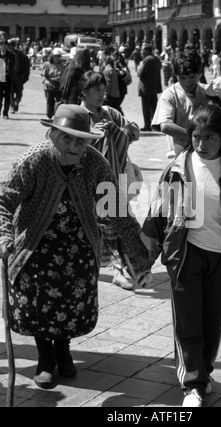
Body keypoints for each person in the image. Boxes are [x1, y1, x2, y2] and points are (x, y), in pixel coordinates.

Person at [0, 103, 152, 390]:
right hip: (36, 246)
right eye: (67, 137)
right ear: (53, 135)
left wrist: (139, 251)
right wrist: (4, 235)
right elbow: (4, 200)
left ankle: (63, 350)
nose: (74, 145)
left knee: (71, 302)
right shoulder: (33, 161)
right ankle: (45, 359)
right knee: (38, 303)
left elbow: (117, 208)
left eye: (80, 140)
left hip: (78, 245)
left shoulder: (94, 163)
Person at [141, 104, 221, 407]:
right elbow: (157, 215)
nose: (201, 144)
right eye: (196, 136)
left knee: (213, 323)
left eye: (209, 138)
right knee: (187, 322)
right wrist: (144, 258)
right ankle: (192, 386)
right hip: (185, 256)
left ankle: (204, 371)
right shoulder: (176, 169)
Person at [79, 70, 140, 290]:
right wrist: (90, 134)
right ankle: (91, 266)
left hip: (111, 177)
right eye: (96, 90)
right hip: (82, 180)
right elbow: (60, 141)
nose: (101, 94)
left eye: (103, 90)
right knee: (87, 224)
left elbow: (134, 132)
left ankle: (118, 269)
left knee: (112, 221)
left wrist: (116, 130)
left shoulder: (110, 113)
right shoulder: (77, 115)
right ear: (84, 92)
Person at [152, 51, 221, 160]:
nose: (187, 83)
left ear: (199, 73)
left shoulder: (208, 91)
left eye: (192, 77)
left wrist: (217, 101)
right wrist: (196, 137)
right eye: (182, 78)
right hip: (182, 153)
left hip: (210, 153)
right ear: (176, 76)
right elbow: (166, 126)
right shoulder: (170, 95)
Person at [137, 43, 162, 132]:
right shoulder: (156, 59)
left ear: (147, 51)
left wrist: (139, 69)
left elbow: (140, 73)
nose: (141, 52)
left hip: (146, 88)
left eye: (142, 50)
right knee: (154, 107)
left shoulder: (147, 60)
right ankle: (156, 125)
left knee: (146, 108)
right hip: (154, 87)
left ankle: (147, 125)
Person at [41, 48, 65, 119]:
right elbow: (43, 76)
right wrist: (47, 83)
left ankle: (56, 116)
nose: (57, 58)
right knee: (49, 103)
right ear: (52, 57)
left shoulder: (62, 65)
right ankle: (49, 115)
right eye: (56, 56)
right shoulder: (47, 65)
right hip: (49, 87)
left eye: (59, 56)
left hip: (59, 87)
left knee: (59, 103)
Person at [7, 39, 30, 114]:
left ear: (14, 46)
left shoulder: (20, 54)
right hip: (9, 76)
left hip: (18, 76)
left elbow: (27, 65)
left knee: (19, 92)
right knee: (10, 92)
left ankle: (16, 102)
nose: (10, 47)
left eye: (11, 45)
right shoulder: (5, 54)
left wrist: (26, 74)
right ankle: (12, 106)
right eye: (9, 45)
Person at [0, 39, 14, 119]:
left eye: (5, 44)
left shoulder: (11, 55)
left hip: (8, 77)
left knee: (7, 97)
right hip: (0, 77)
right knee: (0, 96)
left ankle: (5, 113)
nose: (3, 46)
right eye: (1, 44)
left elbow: (12, 66)